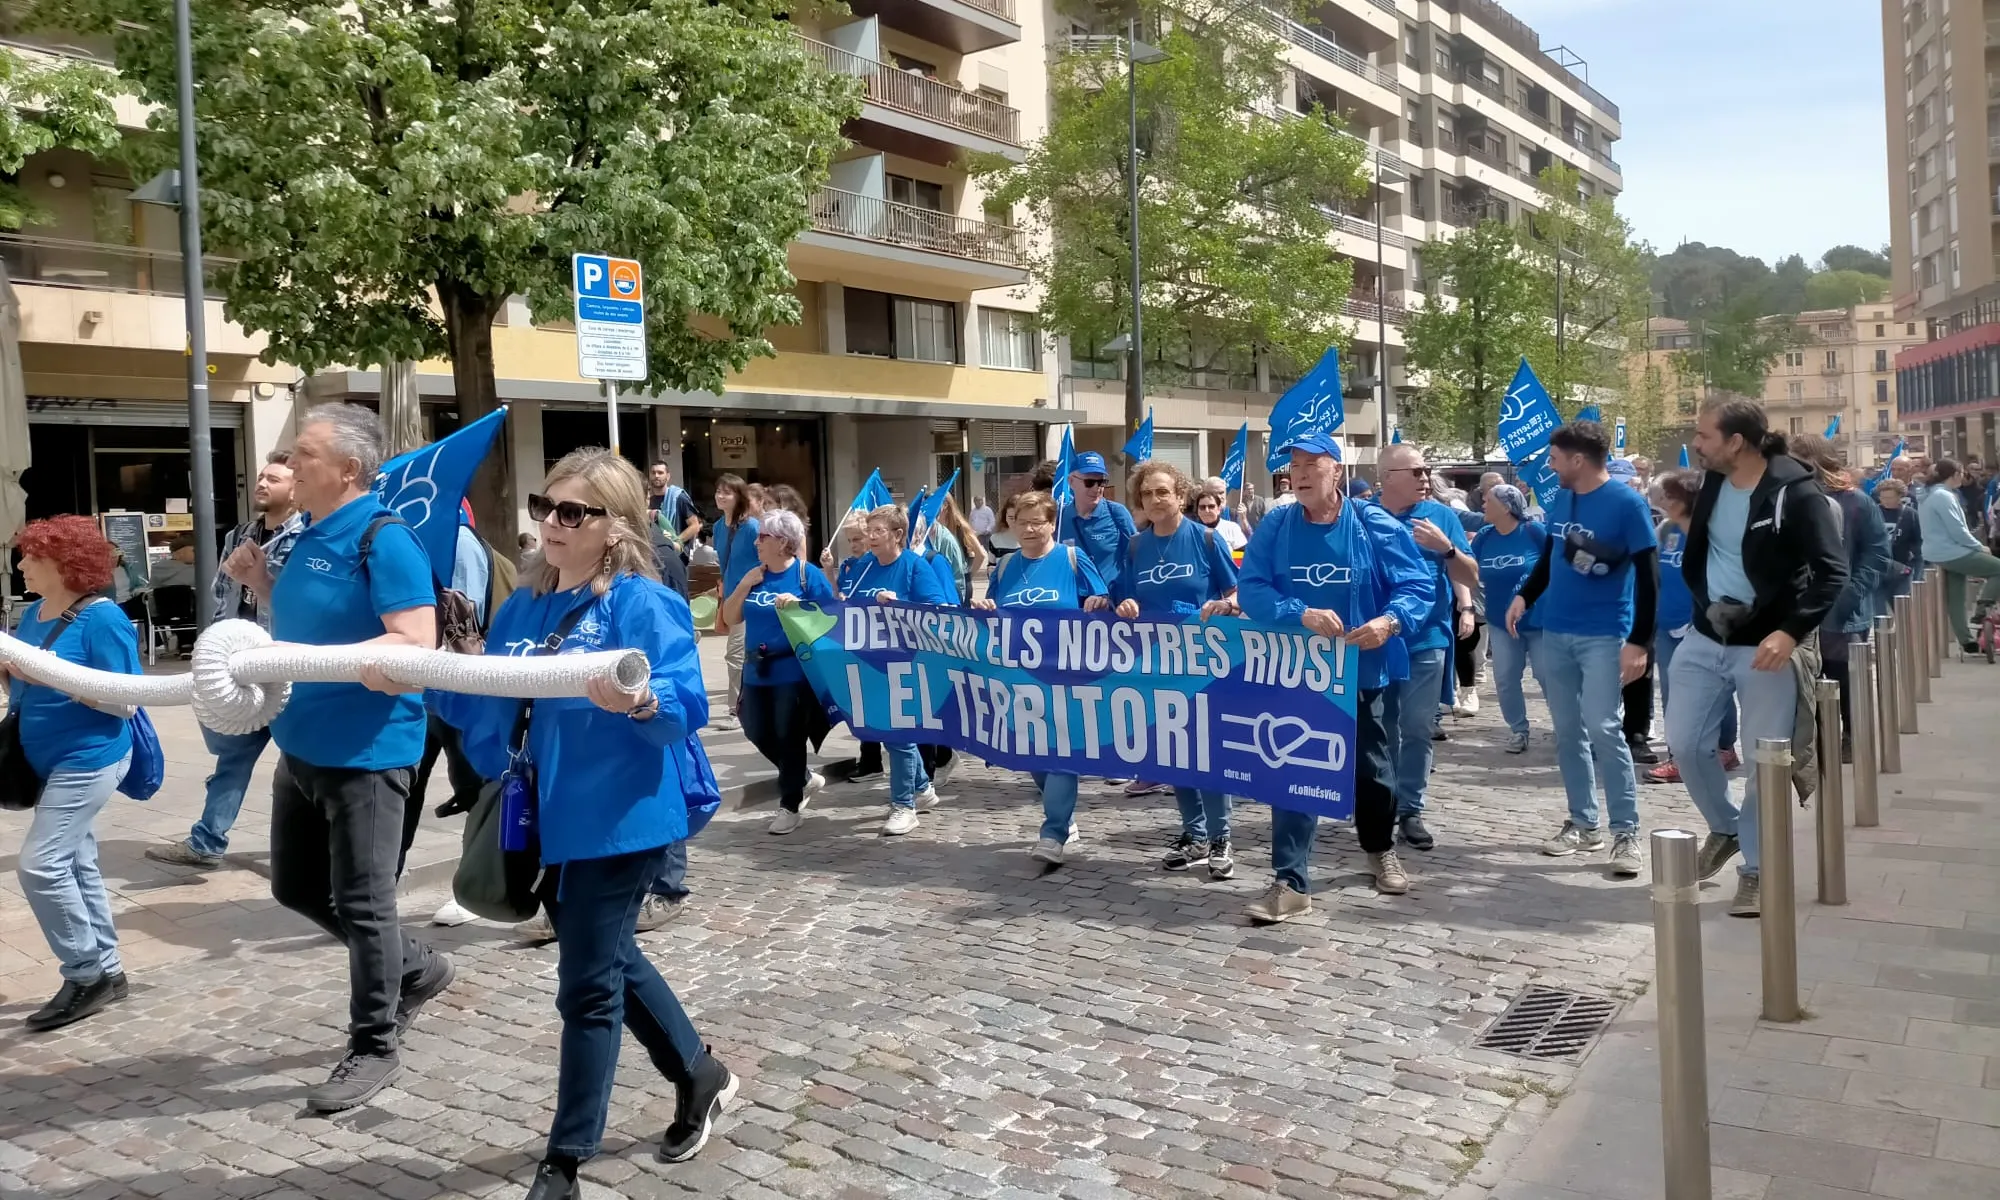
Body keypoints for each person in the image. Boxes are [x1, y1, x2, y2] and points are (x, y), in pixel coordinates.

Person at [374, 449, 737, 1197]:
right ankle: (700, 1074)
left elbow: (684, 703)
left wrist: (641, 700)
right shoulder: (524, 606)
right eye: (546, 507)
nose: (552, 523)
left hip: (621, 819)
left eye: (573, 512)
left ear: (616, 526)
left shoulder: (642, 603)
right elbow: (488, 706)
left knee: (587, 987)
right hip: (541, 817)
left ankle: (565, 1160)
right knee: (608, 958)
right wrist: (419, 677)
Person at [219, 403, 453, 1111]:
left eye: (304, 454)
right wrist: (261, 586)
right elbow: (311, 626)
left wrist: (360, 661)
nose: (288, 464)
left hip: (367, 752)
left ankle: (374, 1045)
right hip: (301, 742)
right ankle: (416, 967)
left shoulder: (386, 538)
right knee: (296, 888)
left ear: (349, 469)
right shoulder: (307, 532)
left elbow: (415, 641)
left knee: (363, 902)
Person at [1237, 433, 1432, 921]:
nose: (1300, 474)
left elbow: (1416, 584)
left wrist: (1389, 622)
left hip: (1363, 670)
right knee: (1293, 768)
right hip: (1297, 671)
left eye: (1312, 465)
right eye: (1294, 466)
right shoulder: (1277, 524)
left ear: (1337, 472)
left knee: (1372, 768)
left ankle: (1379, 848)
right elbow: (1252, 588)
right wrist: (1298, 612)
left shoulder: (1371, 522)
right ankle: (1290, 881)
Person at [1668, 398, 1846, 918]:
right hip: (1706, 636)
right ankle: (1725, 829)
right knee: (1685, 743)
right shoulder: (1714, 481)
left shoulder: (1798, 492)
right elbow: (1716, 548)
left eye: (1704, 435)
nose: (1696, 444)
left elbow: (1832, 571)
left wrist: (1791, 632)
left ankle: (1757, 870)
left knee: (1761, 763)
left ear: (1736, 442)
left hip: (1768, 646)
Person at [4, 516, 142, 1031]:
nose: (21, 564)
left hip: (89, 758)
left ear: (64, 564)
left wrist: (49, 678)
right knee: (76, 863)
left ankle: (85, 975)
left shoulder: (104, 620)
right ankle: (108, 969)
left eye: (32, 557)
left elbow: (127, 703)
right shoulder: (33, 613)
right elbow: (26, 686)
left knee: (41, 866)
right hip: (45, 759)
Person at [1507, 420, 1659, 881]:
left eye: (1555, 459)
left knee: (1603, 727)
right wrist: (1525, 595)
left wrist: (1640, 642)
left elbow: (1650, 577)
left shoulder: (1628, 504)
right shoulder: (1562, 499)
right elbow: (1551, 557)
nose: (1550, 466)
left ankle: (1625, 832)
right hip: (1556, 631)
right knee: (1568, 732)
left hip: (1604, 634)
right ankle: (1583, 823)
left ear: (1578, 459)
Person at [146, 452, 305, 871]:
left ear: (296, 490)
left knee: (302, 760)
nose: (262, 483)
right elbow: (220, 592)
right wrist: (215, 645)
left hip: (286, 660)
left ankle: (313, 847)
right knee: (231, 754)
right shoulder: (240, 534)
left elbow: (302, 601)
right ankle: (206, 843)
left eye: (274, 479)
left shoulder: (308, 536)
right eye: (261, 476)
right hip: (241, 662)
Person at [1112, 462, 1241, 877]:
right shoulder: (1135, 546)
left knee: (1209, 750)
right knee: (1175, 752)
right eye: (1147, 493)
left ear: (1181, 496)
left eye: (1163, 492)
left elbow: (1236, 591)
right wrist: (1125, 606)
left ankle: (1221, 836)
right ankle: (1195, 834)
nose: (1154, 499)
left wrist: (1226, 605)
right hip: (1158, 665)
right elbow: (1126, 598)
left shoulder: (1206, 539)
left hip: (1205, 661)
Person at [971, 491, 1110, 866]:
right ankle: (1062, 811)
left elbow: (1102, 601)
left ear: (1052, 524)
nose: (1029, 529)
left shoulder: (1071, 558)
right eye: (1022, 521)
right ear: (1012, 524)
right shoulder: (1004, 567)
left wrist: (1098, 603)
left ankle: (1053, 832)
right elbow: (994, 614)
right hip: (1019, 680)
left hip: (1067, 679)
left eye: (1038, 522)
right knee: (1032, 753)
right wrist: (985, 608)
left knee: (1060, 753)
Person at [1373, 443, 1475, 852]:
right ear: (1387, 477)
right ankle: (1381, 801)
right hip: (1376, 641)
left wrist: (1446, 548)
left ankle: (1410, 810)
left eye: (1426, 470)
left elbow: (1471, 574)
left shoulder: (1441, 516)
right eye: (1416, 471)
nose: (1425, 477)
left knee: (1416, 728)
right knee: (1380, 729)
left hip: (1427, 640)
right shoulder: (1363, 516)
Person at [840, 504, 953, 835]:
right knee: (887, 734)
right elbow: (849, 603)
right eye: (869, 531)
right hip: (867, 662)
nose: (871, 537)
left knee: (899, 735)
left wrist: (899, 604)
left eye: (878, 531)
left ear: (898, 534)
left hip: (907, 664)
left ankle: (904, 806)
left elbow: (937, 609)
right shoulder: (863, 566)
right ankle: (922, 787)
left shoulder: (915, 566)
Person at [723, 509, 836, 835]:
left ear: (783, 542)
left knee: (789, 736)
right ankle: (801, 777)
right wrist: (743, 585)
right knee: (756, 730)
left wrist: (800, 606)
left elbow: (830, 619)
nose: (756, 542)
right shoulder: (755, 574)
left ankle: (790, 804)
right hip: (756, 670)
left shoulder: (805, 575)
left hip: (792, 671)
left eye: (763, 536)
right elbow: (730, 618)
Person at [1791, 433, 1889, 758]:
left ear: (1816, 461)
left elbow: (1877, 553)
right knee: (1806, 680)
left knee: (1842, 679)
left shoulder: (1856, 501)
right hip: (1801, 610)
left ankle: (1850, 736)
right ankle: (1817, 742)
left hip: (1843, 613)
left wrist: (1851, 592)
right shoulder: (1787, 498)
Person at [1644, 471, 1740, 786]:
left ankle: (1723, 747)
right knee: (1672, 691)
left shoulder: (1714, 531)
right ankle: (1678, 754)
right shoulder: (1665, 529)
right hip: (1666, 623)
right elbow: (1655, 572)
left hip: (1701, 625)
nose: (1663, 502)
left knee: (1715, 689)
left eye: (1669, 496)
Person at [1471, 484, 1545, 753]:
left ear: (1505, 507)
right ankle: (1518, 730)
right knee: (1505, 678)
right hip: (1500, 621)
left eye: (1488, 501)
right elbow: (1470, 569)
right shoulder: (1484, 537)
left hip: (1538, 620)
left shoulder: (1533, 531)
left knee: (1548, 676)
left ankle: (1569, 729)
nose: (1483, 505)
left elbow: (1553, 565)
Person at [1608, 459, 1662, 765]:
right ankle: (1604, 732)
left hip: (1640, 604)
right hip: (1610, 607)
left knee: (1640, 674)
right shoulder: (1602, 515)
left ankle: (1637, 735)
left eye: (1626, 484)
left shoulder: (1648, 514)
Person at [1918, 458, 2000, 651]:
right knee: (1998, 569)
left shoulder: (1930, 494)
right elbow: (1957, 529)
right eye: (1962, 473)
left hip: (1937, 551)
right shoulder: (1943, 496)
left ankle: (1966, 640)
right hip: (1953, 551)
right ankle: (1982, 608)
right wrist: (1978, 546)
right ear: (1955, 474)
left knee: (1956, 596)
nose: (1964, 477)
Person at [709, 474, 759, 731]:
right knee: (745, 654)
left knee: (735, 653)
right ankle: (750, 705)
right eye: (718, 491)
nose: (720, 496)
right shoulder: (719, 527)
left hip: (751, 597)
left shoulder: (752, 527)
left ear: (739, 496)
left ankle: (736, 710)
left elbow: (765, 559)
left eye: (727, 492)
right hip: (730, 597)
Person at [1058, 451, 1138, 592]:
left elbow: (1135, 558)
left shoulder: (1117, 513)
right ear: (1071, 481)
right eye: (1089, 482)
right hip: (1074, 598)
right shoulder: (1059, 517)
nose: (1097, 488)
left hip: (1110, 598)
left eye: (1101, 482)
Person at [1876, 477, 1922, 609]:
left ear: (1900, 496)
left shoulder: (1910, 514)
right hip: (1878, 569)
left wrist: (1917, 571)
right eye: (1883, 497)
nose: (1886, 501)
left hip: (1903, 569)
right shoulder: (1873, 512)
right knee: (1879, 613)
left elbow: (1918, 543)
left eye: (1890, 497)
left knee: (1903, 610)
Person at [647, 461, 702, 569]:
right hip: (655, 557)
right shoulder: (648, 500)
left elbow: (695, 526)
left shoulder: (679, 498)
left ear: (668, 476)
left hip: (677, 557)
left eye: (660, 472)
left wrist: (673, 541)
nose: (656, 476)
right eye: (653, 473)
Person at [970, 494, 996, 562]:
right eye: (976, 501)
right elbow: (970, 522)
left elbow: (992, 521)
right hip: (976, 535)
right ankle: (976, 563)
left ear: (982, 501)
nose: (978, 502)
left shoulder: (987, 510)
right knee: (975, 550)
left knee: (989, 550)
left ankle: (991, 563)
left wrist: (988, 529)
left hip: (986, 535)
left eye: (979, 500)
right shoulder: (973, 511)